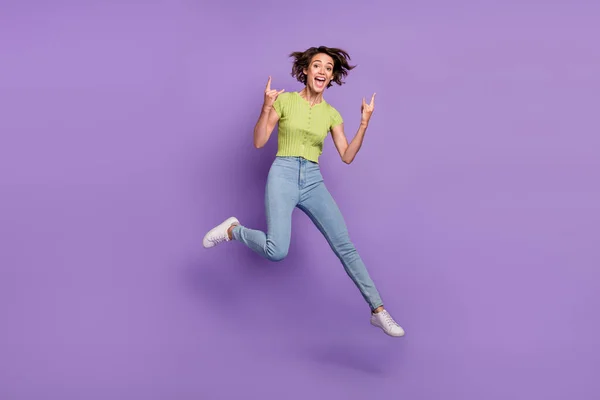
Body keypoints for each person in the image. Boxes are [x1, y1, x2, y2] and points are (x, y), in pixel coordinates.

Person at [202, 46, 405, 337]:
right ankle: (233, 229)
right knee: (277, 250)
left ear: (332, 76)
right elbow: (259, 142)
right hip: (283, 174)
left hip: (312, 179)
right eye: (317, 65)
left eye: (328, 68)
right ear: (306, 70)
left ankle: (378, 311)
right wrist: (265, 107)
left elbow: (347, 155)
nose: (322, 71)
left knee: (344, 245)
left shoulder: (332, 114)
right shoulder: (284, 101)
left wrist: (364, 123)